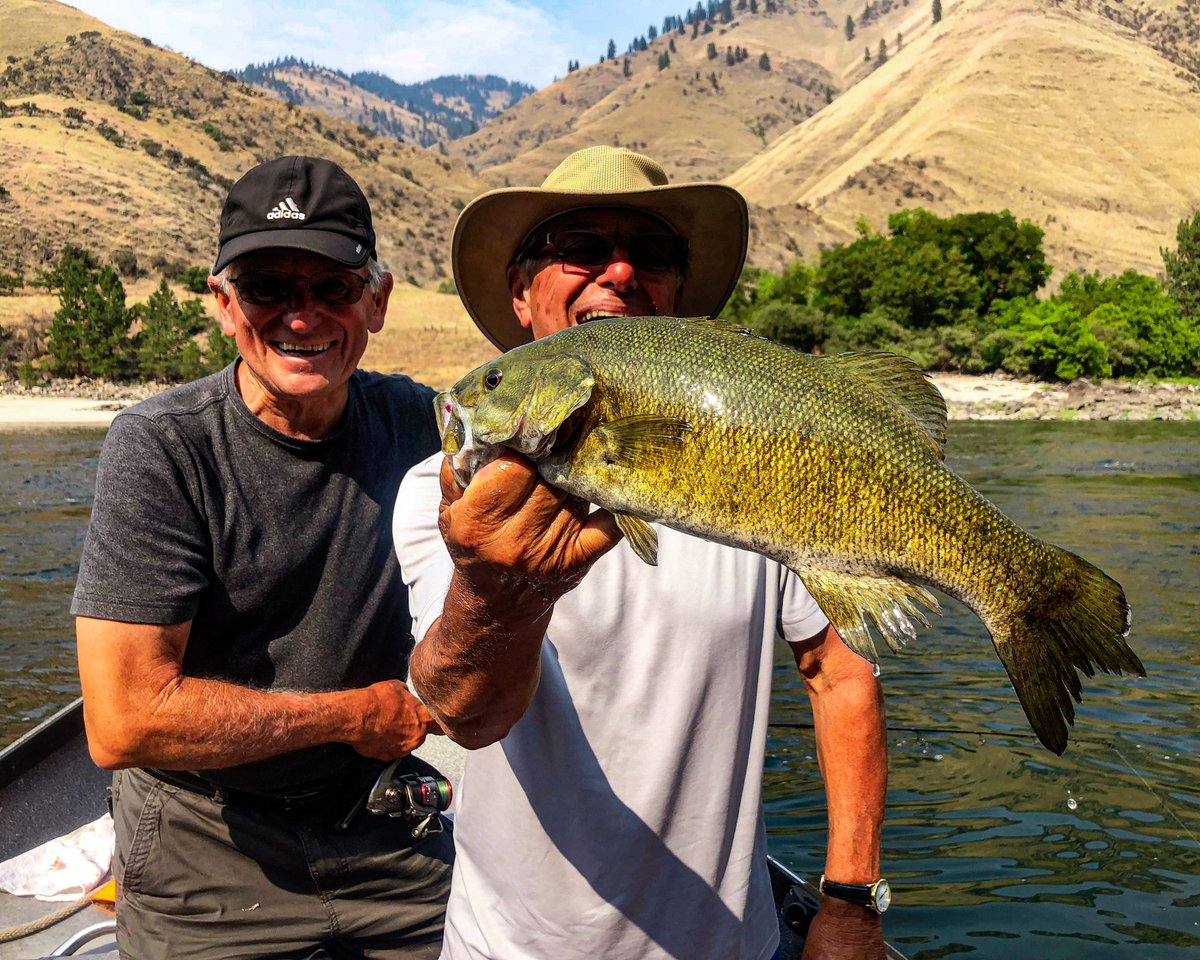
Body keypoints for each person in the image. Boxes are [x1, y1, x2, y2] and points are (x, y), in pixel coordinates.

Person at [393, 146, 888, 960]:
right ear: (520, 292)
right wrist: (497, 593)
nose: (620, 272)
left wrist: (852, 901)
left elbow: (840, 672)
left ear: (676, 290)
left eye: (651, 253)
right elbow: (465, 717)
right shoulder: (441, 496)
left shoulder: (762, 461)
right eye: (581, 247)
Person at [72, 155, 453, 959]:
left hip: (384, 825)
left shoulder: (421, 426)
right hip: (204, 840)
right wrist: (355, 717)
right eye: (268, 289)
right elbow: (123, 720)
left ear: (377, 301)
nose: (301, 317)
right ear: (223, 304)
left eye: (333, 286)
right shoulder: (163, 447)